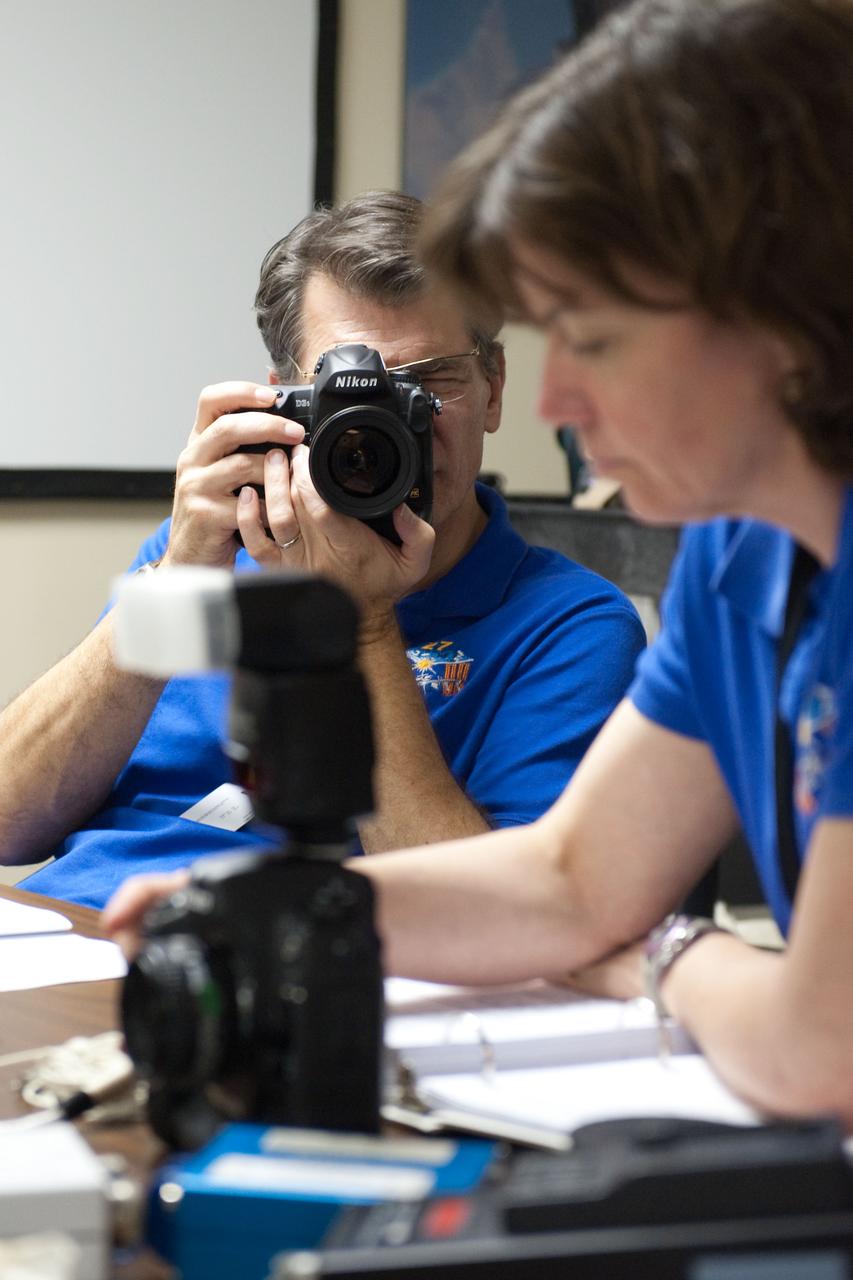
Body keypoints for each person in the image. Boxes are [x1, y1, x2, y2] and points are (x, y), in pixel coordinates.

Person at [107, 0, 853, 1128]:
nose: (549, 402)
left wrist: (659, 952)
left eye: (593, 338)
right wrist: (278, 908)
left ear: (782, 316)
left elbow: (817, 1041)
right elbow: (570, 882)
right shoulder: (736, 550)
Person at [0, 191, 644, 910]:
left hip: (301, 971)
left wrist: (359, 622)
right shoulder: (213, 551)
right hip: (72, 933)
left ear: (491, 388)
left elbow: (495, 918)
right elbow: (7, 821)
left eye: (429, 383)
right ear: (283, 402)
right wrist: (178, 573)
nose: (388, 428)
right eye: (349, 396)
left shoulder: (568, 627)